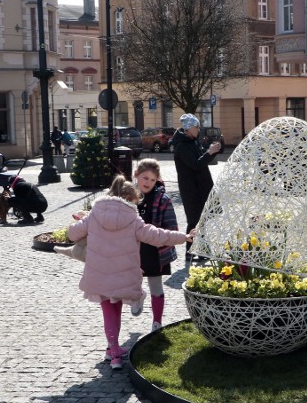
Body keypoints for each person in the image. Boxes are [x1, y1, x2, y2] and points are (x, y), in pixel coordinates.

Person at [67, 175, 194, 369]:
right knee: (115, 309)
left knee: (108, 311)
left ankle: (112, 350)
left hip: (99, 274)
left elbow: (72, 234)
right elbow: (158, 235)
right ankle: (115, 352)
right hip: (123, 277)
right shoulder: (133, 219)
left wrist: (81, 220)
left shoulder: (95, 213)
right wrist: (183, 237)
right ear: (130, 200)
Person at [134, 159, 179, 332]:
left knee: (156, 286)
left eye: (153, 180)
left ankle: (157, 323)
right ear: (136, 176)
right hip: (132, 249)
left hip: (155, 250)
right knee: (131, 283)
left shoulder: (162, 199)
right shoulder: (127, 196)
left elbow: (172, 227)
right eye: (145, 178)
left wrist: (161, 236)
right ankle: (138, 297)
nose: (148, 183)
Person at [170, 113, 220, 262]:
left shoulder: (193, 142)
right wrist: (209, 153)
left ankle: (203, 251)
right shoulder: (182, 147)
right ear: (188, 128)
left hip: (201, 187)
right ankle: (189, 252)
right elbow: (196, 165)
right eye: (196, 127)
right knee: (194, 220)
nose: (199, 129)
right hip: (191, 190)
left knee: (202, 220)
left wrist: (211, 153)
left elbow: (201, 162)